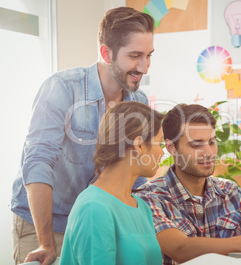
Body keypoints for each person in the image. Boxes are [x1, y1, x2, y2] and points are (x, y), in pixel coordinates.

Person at [11, 7, 155, 265]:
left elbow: (132, 173)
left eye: (148, 55)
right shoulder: (63, 88)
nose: (144, 66)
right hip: (44, 221)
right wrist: (46, 242)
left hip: (100, 221)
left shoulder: (139, 102)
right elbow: (38, 162)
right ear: (105, 53)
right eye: (135, 56)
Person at [137, 104, 241, 264]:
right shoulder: (148, 198)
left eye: (212, 142)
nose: (209, 153)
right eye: (196, 145)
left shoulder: (230, 191)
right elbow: (181, 249)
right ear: (171, 147)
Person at [59, 101, 164, 264]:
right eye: (160, 143)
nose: (162, 152)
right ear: (139, 145)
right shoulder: (93, 208)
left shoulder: (141, 207)